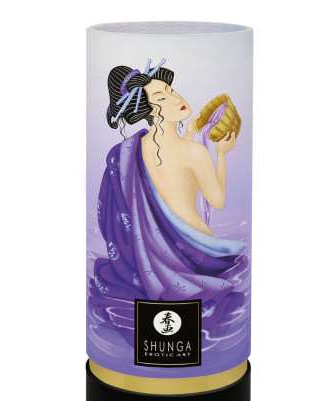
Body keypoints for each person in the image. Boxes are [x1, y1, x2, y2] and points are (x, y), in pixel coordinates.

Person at [88, 58, 247, 347]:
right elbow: (217, 200)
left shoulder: (126, 151)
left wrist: (190, 136)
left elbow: (160, 179)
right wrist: (221, 153)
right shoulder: (195, 152)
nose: (176, 98)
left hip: (145, 261)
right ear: (149, 110)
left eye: (172, 90)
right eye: (162, 97)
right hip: (199, 251)